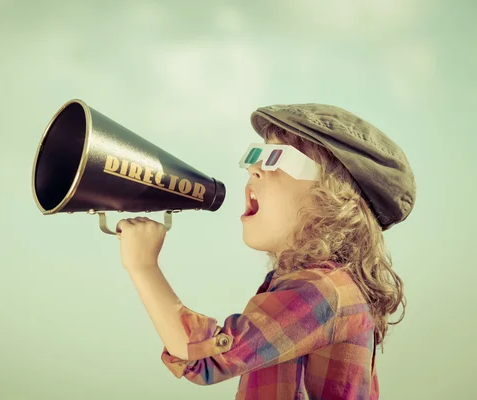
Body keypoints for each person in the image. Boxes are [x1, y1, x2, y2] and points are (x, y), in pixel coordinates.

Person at [116, 103, 416, 399]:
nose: (253, 168)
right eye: (255, 155)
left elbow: (203, 359)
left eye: (275, 158)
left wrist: (143, 266)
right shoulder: (309, 285)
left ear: (335, 198)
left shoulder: (324, 290)